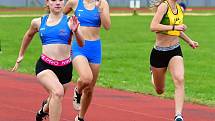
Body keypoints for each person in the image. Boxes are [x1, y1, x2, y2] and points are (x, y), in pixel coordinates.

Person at [11, 0, 83, 121]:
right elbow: (28, 35)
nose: (58, 3)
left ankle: (42, 111)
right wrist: (21, 55)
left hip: (65, 68)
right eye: (54, 0)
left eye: (60, 0)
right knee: (58, 92)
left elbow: (82, 44)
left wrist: (76, 31)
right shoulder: (38, 22)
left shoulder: (70, 21)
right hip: (45, 66)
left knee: (55, 97)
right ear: (47, 3)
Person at [150, 0, 198, 121]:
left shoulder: (180, 9)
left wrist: (189, 41)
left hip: (175, 50)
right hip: (159, 52)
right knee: (159, 90)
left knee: (179, 79)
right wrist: (174, 27)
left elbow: (178, 30)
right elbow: (153, 26)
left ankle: (178, 115)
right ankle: (152, 72)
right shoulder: (163, 7)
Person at [64, 0, 111, 121]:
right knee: (86, 78)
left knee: (90, 89)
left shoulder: (103, 3)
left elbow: (107, 26)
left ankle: (80, 117)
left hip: (95, 48)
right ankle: (78, 90)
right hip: (78, 46)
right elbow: (60, 16)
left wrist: (100, 9)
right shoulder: (74, 2)